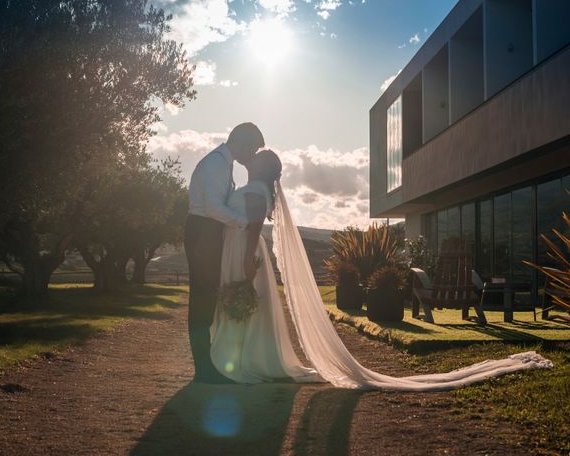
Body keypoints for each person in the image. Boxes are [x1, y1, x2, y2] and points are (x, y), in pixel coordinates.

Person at [209, 149, 554, 389]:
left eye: (255, 158)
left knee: (246, 305)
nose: (249, 159)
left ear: (262, 168)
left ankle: (247, 361)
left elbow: (253, 227)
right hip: (242, 251)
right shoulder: (257, 188)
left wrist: (244, 261)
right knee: (249, 307)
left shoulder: (255, 190)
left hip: (245, 253)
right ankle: (249, 358)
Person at [185, 122, 264, 384]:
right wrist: (244, 223)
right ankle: (204, 370)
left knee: (207, 296)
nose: (251, 155)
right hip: (203, 231)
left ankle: (206, 366)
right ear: (240, 143)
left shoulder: (224, 164)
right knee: (203, 297)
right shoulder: (216, 164)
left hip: (209, 232)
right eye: (251, 148)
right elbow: (213, 208)